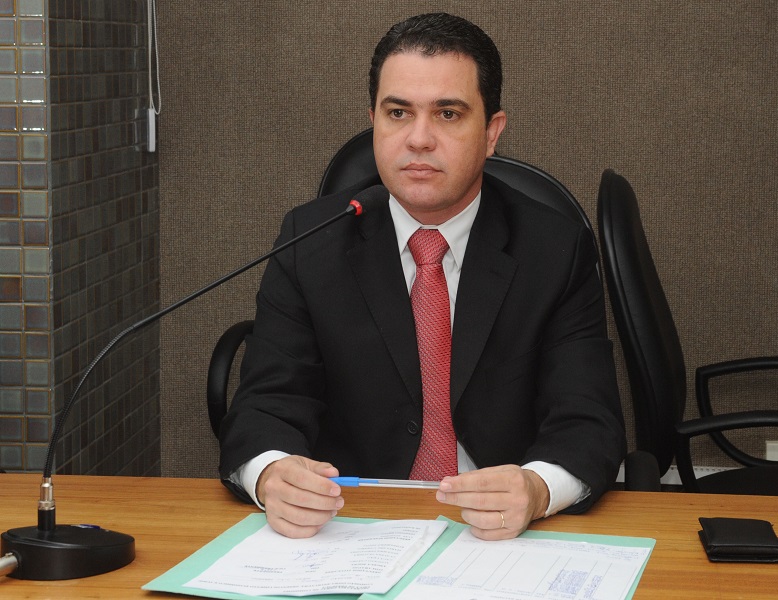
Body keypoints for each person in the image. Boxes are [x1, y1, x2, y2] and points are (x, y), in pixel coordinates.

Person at [218, 12, 625, 541]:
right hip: (350, 529)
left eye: (448, 114)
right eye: (398, 113)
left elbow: (588, 418)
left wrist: (538, 487)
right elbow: (265, 404)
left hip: (500, 538)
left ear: (492, 132)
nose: (419, 139)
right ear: (373, 121)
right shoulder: (310, 242)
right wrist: (271, 472)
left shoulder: (554, 249)